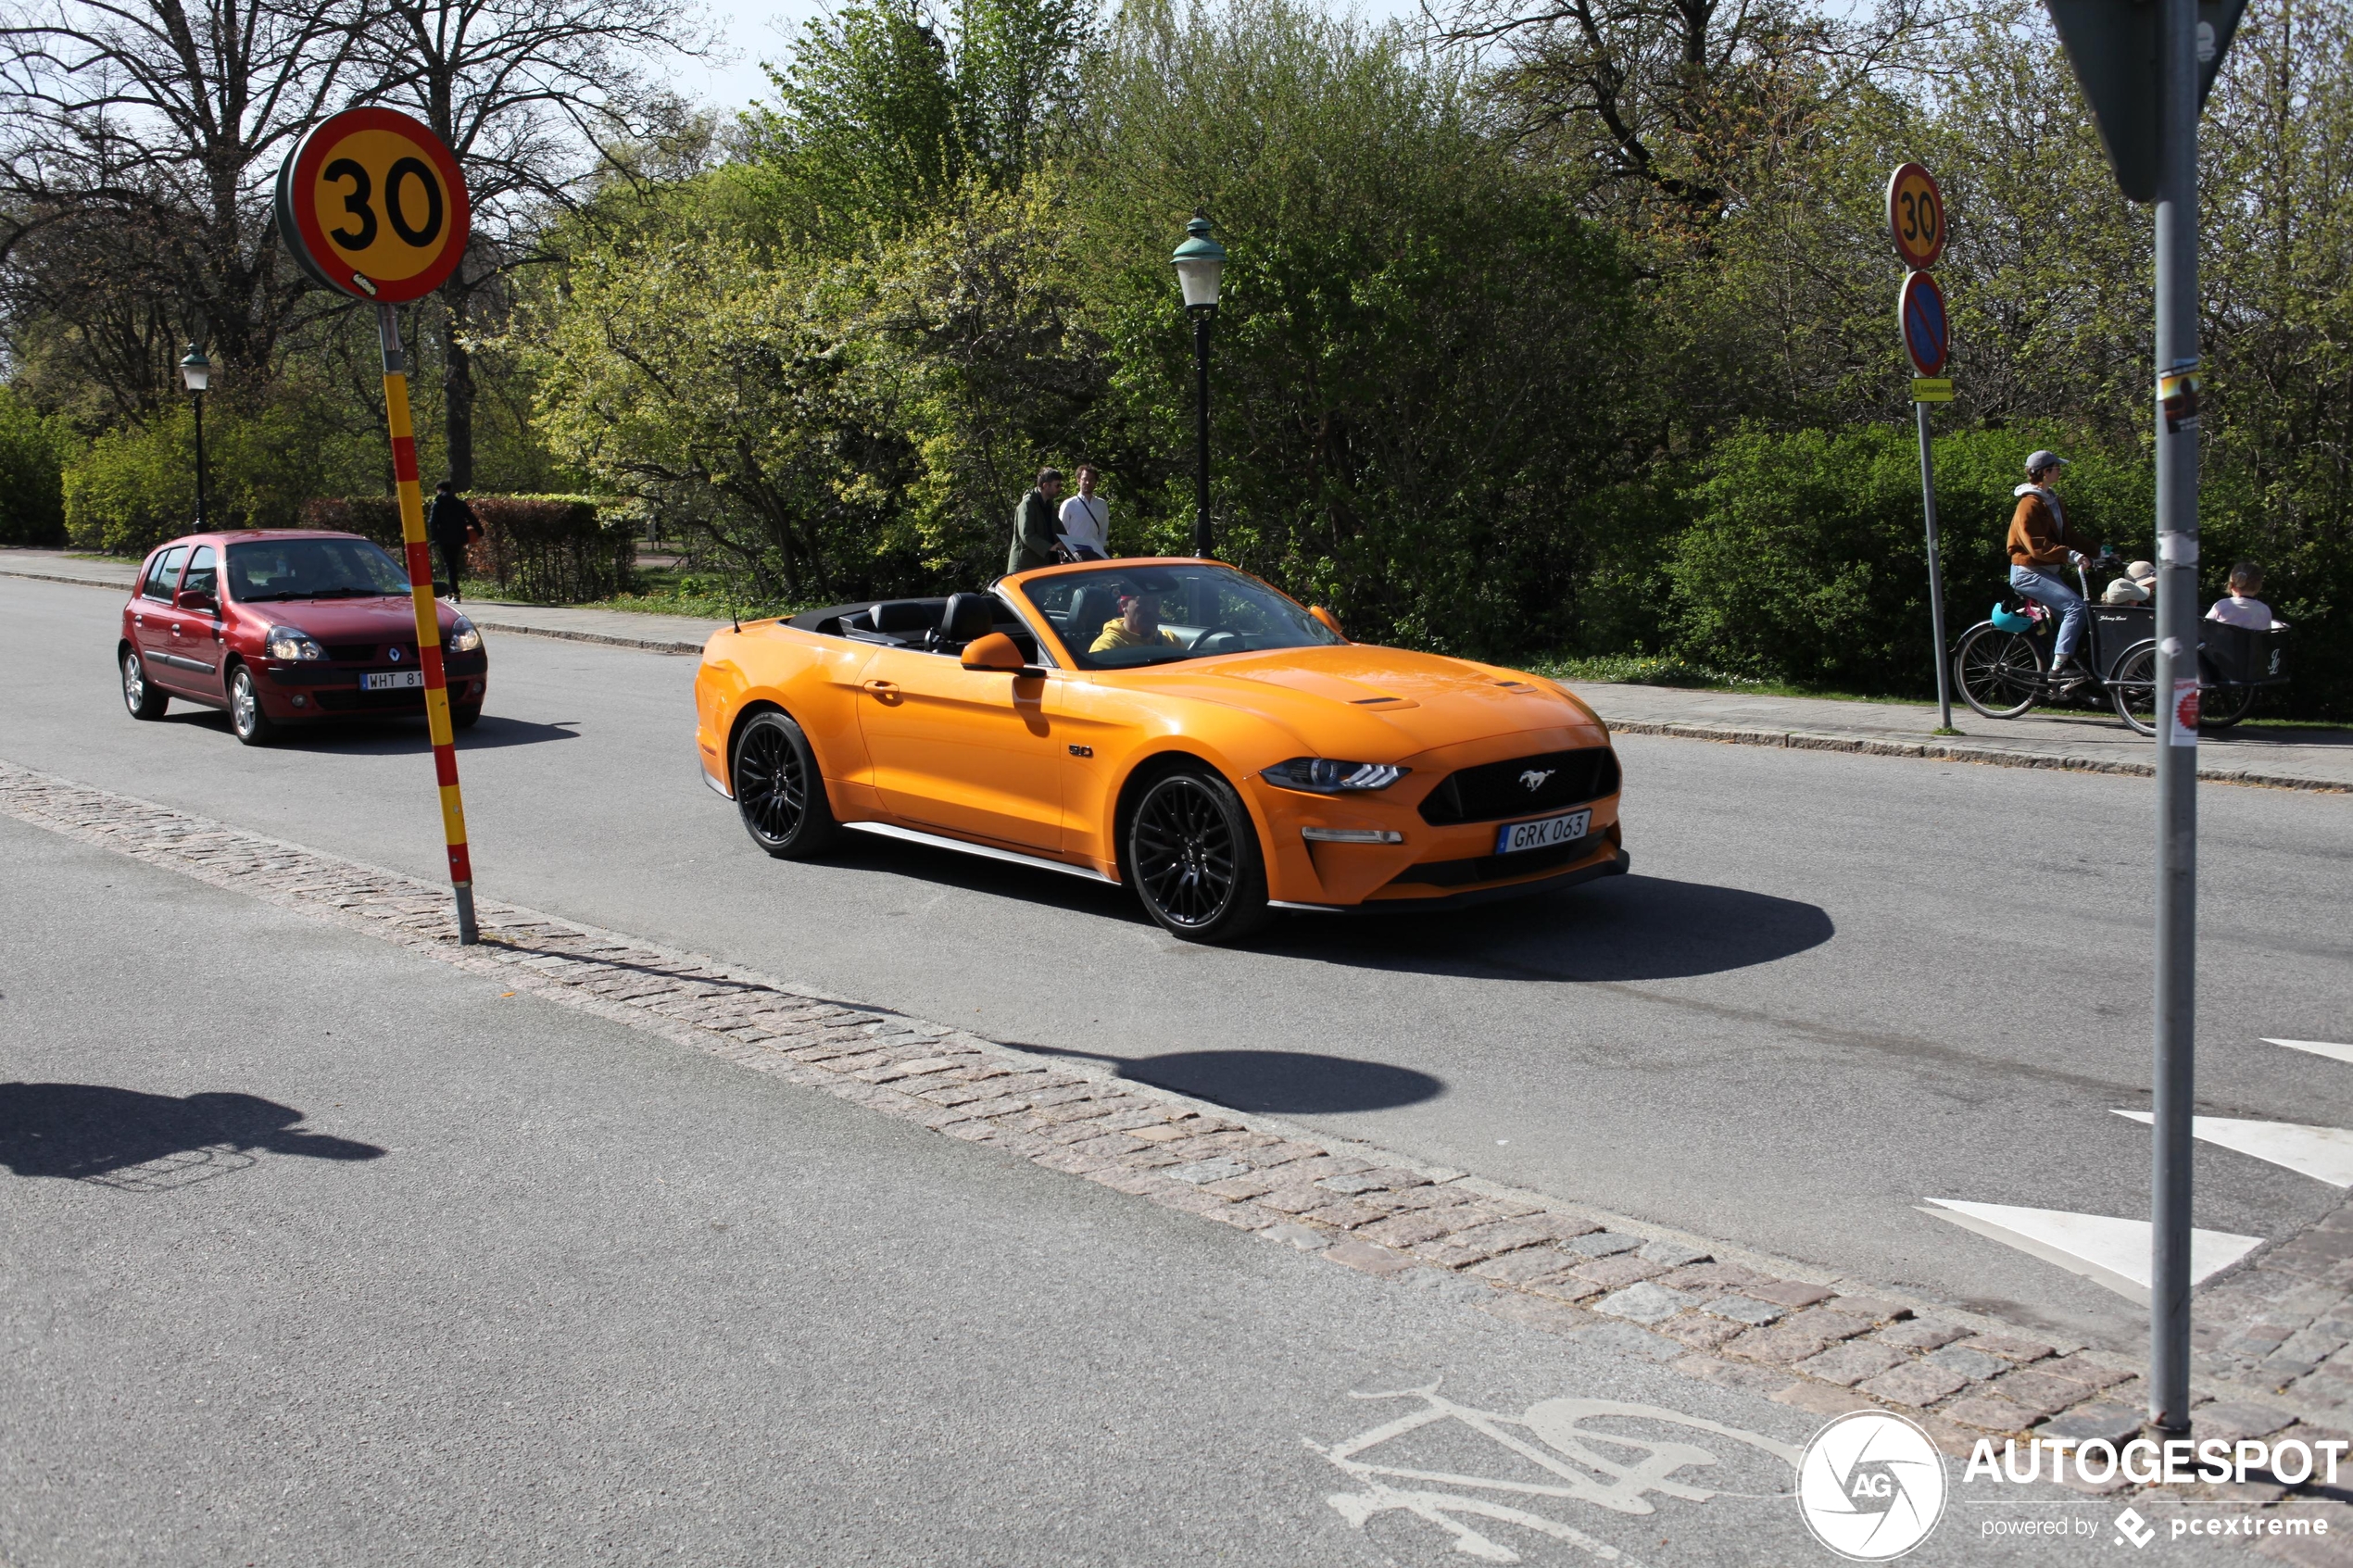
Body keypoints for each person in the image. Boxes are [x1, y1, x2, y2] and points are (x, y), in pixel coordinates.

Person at [2006, 450, 2101, 684]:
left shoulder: (2053, 500)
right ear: (2045, 472)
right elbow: (2036, 545)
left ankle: (2059, 664)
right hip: (2028, 573)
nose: (2060, 470)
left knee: (2080, 617)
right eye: (2056, 467)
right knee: (2075, 608)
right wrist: (2070, 556)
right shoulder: (2028, 504)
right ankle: (2057, 670)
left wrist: (2099, 552)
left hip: (2047, 572)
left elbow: (2067, 535)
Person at [425, 481, 480, 601]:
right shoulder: (460, 503)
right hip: (459, 537)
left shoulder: (438, 503)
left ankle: (455, 592)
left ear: (439, 489)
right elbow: (471, 518)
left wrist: (434, 538)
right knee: (453, 564)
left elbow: (432, 522)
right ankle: (451, 591)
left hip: (444, 538)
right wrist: (479, 531)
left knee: (449, 565)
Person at [1007, 468, 1066, 574]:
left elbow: (1060, 530)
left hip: (1041, 566)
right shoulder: (1028, 505)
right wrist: (1050, 547)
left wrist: (1069, 544)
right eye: (1057, 485)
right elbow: (1027, 535)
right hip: (1024, 568)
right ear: (1045, 486)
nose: (1060, 489)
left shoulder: (1049, 505)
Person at [1089, 588, 1186, 653]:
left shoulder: (1170, 639)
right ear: (1124, 605)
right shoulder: (1107, 647)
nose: (1149, 609)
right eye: (1143, 602)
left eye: (1155, 602)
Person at [2207, 560, 2282, 629]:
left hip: (2222, 644)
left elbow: (2204, 627)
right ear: (2258, 586)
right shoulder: (2265, 610)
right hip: (2251, 644)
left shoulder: (2221, 605)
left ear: (2232, 585)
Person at [1058, 464, 1111, 560]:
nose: (1087, 482)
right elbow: (1062, 532)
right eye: (1084, 479)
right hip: (1075, 555)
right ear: (1078, 480)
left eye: (1091, 480)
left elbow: (1103, 530)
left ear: (1095, 482)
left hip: (1096, 554)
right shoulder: (1069, 504)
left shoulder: (1102, 504)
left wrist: (1100, 547)